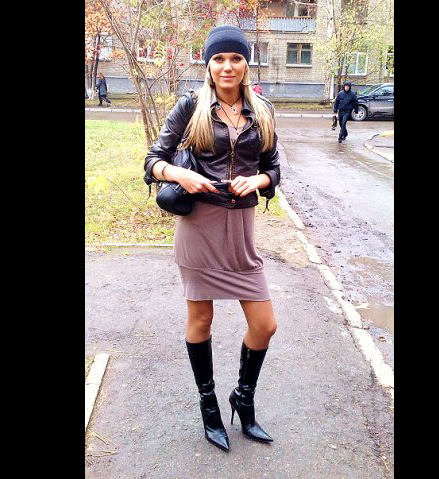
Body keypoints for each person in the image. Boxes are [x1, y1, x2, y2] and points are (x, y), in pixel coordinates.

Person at [143, 25, 280, 452]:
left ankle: (243, 396)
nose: (227, 66)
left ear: (246, 63)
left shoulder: (262, 111)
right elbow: (152, 160)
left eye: (235, 58)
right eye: (218, 59)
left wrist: (257, 180)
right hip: (199, 229)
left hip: (240, 233)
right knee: (201, 320)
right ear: (208, 64)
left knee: (265, 325)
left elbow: (274, 167)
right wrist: (180, 174)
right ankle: (209, 406)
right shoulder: (191, 106)